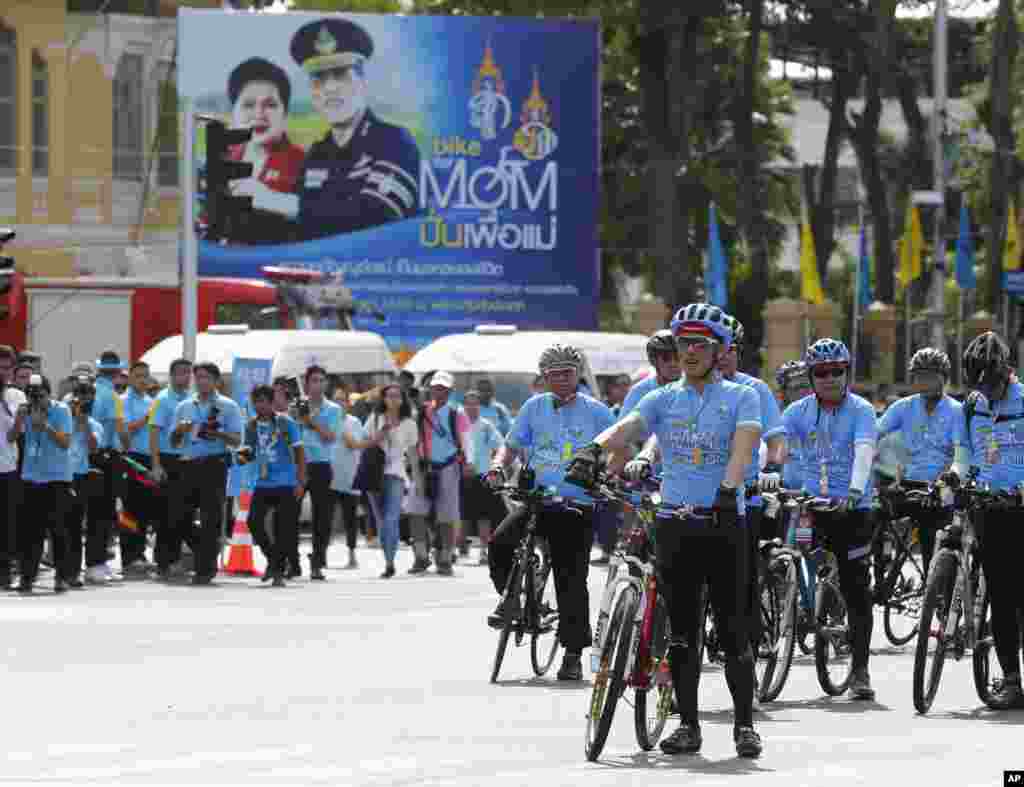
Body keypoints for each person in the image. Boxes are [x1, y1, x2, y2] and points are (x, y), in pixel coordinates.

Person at [577, 303, 762, 756]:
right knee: (681, 633)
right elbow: (628, 426)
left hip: (722, 523)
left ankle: (743, 726)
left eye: (700, 344)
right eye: (684, 344)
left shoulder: (742, 397)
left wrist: (727, 488)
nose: (691, 351)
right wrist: (592, 451)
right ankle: (689, 727)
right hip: (675, 525)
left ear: (718, 350)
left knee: (733, 630)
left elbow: (744, 446)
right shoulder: (663, 397)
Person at [486, 344, 615, 681]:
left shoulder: (597, 412)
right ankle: (519, 602)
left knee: (571, 579)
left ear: (578, 374)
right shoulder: (534, 406)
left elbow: (619, 447)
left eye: (567, 373)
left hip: (576, 504)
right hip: (536, 498)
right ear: (543, 377)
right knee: (499, 544)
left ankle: (572, 652)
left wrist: (604, 473)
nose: (560, 379)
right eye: (553, 374)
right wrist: (499, 466)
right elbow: (511, 445)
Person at [782, 338, 878, 700]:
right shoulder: (797, 412)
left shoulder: (862, 410)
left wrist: (854, 491)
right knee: (786, 554)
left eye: (836, 371)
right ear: (811, 376)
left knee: (856, 588)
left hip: (853, 508)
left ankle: (861, 670)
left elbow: (864, 450)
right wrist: (764, 469)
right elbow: (774, 444)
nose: (829, 378)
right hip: (810, 506)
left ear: (846, 372)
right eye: (821, 372)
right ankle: (800, 608)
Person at [290, 18, 421, 240]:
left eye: (341, 74)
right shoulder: (316, 154)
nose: (330, 88)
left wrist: (282, 204)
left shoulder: (395, 142)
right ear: (312, 92)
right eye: (318, 78)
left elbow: (377, 219)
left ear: (363, 82)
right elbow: (299, 232)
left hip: (379, 272)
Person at [955, 331, 1024, 708]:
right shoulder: (972, 406)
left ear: (1007, 371)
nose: (989, 392)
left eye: (994, 384)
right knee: (1002, 594)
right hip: (989, 510)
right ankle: (1012, 680)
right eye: (981, 385)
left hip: (1021, 508)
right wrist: (955, 473)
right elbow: (964, 451)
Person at [876, 348, 965, 579]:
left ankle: (933, 588)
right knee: (871, 516)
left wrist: (951, 476)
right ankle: (878, 573)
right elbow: (874, 433)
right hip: (905, 484)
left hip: (939, 488)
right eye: (919, 376)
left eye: (930, 376)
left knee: (930, 534)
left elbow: (961, 453)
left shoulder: (957, 411)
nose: (924, 381)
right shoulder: (902, 407)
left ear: (944, 378)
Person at [219, 57, 305, 245]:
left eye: (270, 105)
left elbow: (324, 216)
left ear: (285, 112)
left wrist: (272, 200)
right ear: (233, 112)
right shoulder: (222, 161)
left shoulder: (306, 164)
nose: (259, 114)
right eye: (248, 105)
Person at [170, 362, 242, 585]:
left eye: (206, 377)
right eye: (198, 377)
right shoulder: (184, 406)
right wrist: (180, 430)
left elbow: (237, 440)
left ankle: (204, 569)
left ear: (216, 380)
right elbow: (173, 442)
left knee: (212, 518)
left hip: (214, 464)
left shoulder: (227, 406)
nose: (202, 382)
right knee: (179, 517)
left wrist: (217, 434)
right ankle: (206, 554)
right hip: (188, 463)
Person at [238, 385, 305, 587]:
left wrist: (301, 481)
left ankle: (276, 569)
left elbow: (300, 451)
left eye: (263, 401)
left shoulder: (285, 422)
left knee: (283, 529)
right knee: (253, 522)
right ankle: (273, 561)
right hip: (263, 482)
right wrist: (239, 455)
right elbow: (247, 454)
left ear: (271, 402)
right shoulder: (251, 426)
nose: (259, 406)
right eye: (256, 402)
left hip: (286, 482)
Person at [14, 374, 73, 594]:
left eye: (40, 395)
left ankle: (61, 576)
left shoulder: (62, 410)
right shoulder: (26, 410)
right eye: (32, 395)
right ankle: (27, 577)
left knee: (58, 529)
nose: (36, 399)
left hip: (57, 478)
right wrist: (20, 419)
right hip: (31, 477)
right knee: (31, 531)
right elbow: (12, 437)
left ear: (49, 393)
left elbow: (66, 443)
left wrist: (46, 426)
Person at [407, 371, 468, 576]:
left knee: (446, 516)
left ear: (450, 391)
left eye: (443, 388)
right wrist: (415, 470)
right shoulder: (421, 412)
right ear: (430, 389)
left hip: (449, 467)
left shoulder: (456, 414)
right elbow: (413, 442)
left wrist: (469, 464)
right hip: (424, 467)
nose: (438, 391)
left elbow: (466, 442)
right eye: (435, 387)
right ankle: (421, 556)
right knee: (416, 512)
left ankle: (444, 558)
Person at [363, 382, 418, 578]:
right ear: (383, 399)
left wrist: (417, 480)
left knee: (391, 518)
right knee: (380, 520)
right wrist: (381, 433)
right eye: (389, 396)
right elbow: (365, 443)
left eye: (397, 396)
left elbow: (412, 453)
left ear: (402, 400)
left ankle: (390, 561)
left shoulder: (409, 423)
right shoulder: (375, 419)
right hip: (374, 474)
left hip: (396, 473)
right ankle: (387, 558)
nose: (393, 399)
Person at [149, 359, 195, 580]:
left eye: (189, 373)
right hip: (168, 459)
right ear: (172, 375)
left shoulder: (192, 399)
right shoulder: (162, 399)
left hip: (188, 460)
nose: (186, 377)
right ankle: (164, 562)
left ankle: (175, 559)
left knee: (183, 512)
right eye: (181, 373)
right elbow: (154, 432)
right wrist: (156, 464)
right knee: (166, 513)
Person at [298, 365, 342, 580]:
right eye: (313, 380)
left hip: (321, 465)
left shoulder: (333, 409)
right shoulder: (297, 405)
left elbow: (330, 437)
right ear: (306, 383)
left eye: (321, 380)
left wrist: (310, 421)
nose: (317, 384)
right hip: (298, 464)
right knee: (289, 514)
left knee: (322, 516)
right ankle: (290, 561)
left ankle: (317, 561)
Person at [90, 351, 126, 582]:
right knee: (102, 510)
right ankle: (97, 563)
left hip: (86, 454)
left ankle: (94, 561)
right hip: (105, 455)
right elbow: (114, 429)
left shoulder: (89, 391)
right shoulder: (111, 396)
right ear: (116, 373)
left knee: (92, 510)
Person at [66, 375, 104, 588]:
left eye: (87, 396)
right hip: (57, 475)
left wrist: (84, 424)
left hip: (80, 476)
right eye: (79, 395)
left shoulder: (94, 424)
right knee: (58, 526)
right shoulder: (61, 417)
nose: (83, 400)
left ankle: (72, 572)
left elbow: (93, 448)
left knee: (74, 525)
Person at [118, 360, 155, 574]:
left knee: (145, 509)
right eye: (138, 376)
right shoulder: (123, 401)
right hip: (131, 457)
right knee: (130, 509)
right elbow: (126, 430)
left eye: (145, 376)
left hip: (150, 458)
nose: (142, 380)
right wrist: (146, 419)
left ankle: (139, 552)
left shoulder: (151, 401)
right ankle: (129, 556)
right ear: (130, 378)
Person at [461, 389, 504, 565]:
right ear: (464, 406)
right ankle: (459, 548)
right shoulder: (458, 424)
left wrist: (495, 468)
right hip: (461, 474)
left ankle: (484, 551)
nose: (472, 407)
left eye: (475, 403)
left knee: (484, 517)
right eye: (468, 403)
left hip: (482, 476)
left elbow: (500, 446)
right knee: (461, 514)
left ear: (479, 406)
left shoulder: (486, 425)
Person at [0, 344, 25, 588]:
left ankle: (5, 570)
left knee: (7, 522)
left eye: (7, 367)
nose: (3, 371)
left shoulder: (16, 396)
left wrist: (18, 418)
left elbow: (12, 436)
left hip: (7, 467)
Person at [620, 329, 682, 419]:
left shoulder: (695, 387)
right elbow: (624, 429)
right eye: (666, 358)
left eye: (677, 357)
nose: (673, 363)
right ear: (654, 361)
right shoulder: (639, 392)